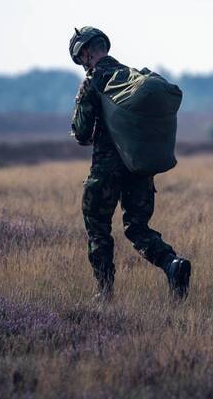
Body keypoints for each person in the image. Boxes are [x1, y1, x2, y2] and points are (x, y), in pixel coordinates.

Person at [68, 26, 192, 301]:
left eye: (80, 60)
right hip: (138, 167)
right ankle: (173, 265)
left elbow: (81, 132)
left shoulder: (94, 81)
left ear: (86, 53)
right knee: (137, 228)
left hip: (106, 171)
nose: (82, 64)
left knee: (98, 228)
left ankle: (105, 293)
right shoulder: (130, 77)